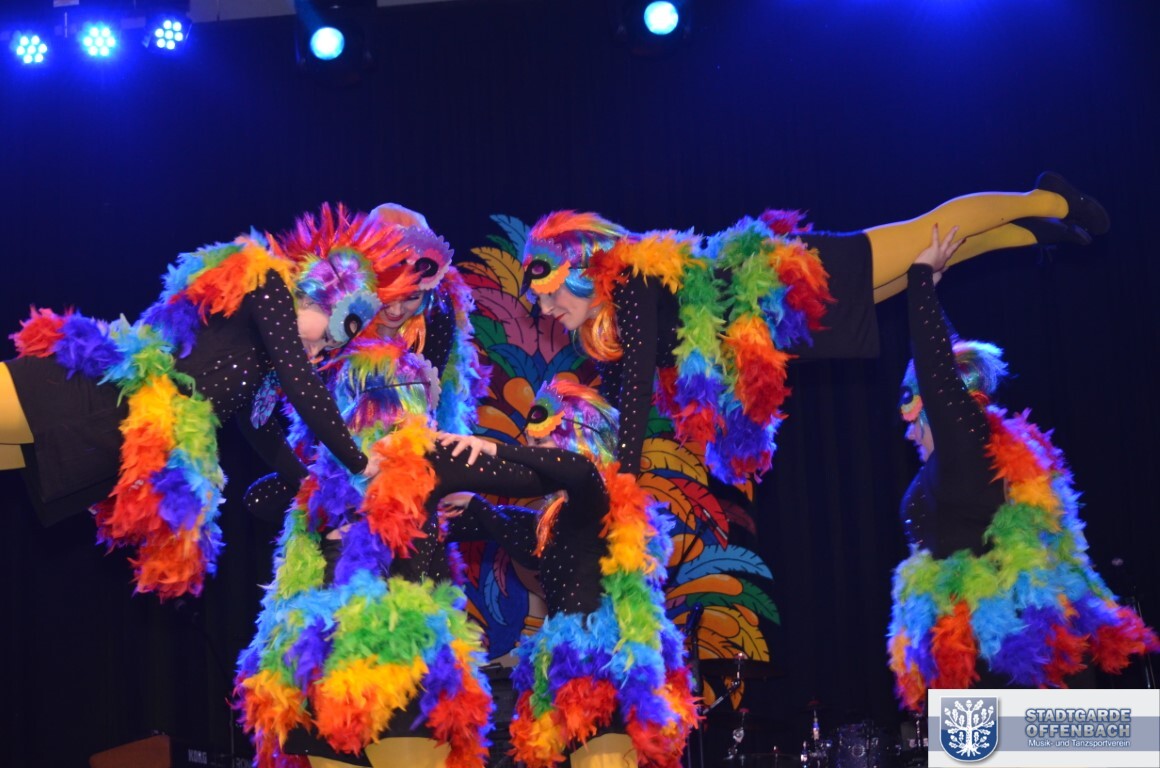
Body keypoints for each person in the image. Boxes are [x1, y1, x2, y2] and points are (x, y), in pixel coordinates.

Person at [519, 173, 1109, 484]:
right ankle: (1031, 233)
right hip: (789, 325)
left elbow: (638, 381)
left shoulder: (630, 276)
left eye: (544, 291)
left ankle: (1048, 199)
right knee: (926, 263)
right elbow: (632, 389)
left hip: (791, 283)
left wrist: (624, 477)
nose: (543, 310)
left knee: (926, 235)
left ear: (577, 267)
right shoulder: (610, 328)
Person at [0, 206, 411, 598]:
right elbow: (300, 379)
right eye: (327, 337)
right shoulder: (267, 281)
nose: (320, 353)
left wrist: (311, 486)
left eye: (331, 350)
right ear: (319, 295)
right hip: (93, 392)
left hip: (116, 435)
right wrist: (358, 461)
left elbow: (259, 428)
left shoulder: (266, 357)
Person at [885, 226, 1159, 712]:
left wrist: (920, 279)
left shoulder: (968, 452)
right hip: (978, 661)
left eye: (912, 411)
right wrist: (933, 291)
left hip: (1015, 659)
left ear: (933, 410)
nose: (906, 427)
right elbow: (946, 363)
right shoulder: (973, 454)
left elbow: (938, 369)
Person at [438, 379, 696, 768]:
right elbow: (511, 530)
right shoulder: (553, 520)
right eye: (531, 444)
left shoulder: (596, 501)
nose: (530, 456)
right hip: (566, 670)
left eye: (541, 445)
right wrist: (470, 503)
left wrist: (493, 448)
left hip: (605, 666)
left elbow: (579, 471)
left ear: (577, 441)